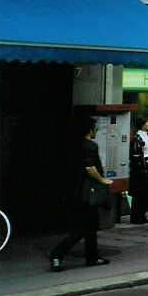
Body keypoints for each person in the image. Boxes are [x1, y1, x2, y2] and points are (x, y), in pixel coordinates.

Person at [50, 115, 113, 271]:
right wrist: (103, 180)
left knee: (91, 226)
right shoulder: (90, 146)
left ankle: (92, 257)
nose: (97, 129)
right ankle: (57, 254)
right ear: (90, 129)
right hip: (87, 193)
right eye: (95, 127)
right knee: (82, 229)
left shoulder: (72, 145)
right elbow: (90, 168)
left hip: (74, 191)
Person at [129, 117, 148, 224]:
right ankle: (137, 216)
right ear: (143, 124)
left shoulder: (145, 135)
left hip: (146, 168)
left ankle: (142, 215)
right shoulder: (138, 137)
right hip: (140, 170)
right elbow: (137, 155)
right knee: (139, 194)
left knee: (143, 194)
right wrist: (144, 166)